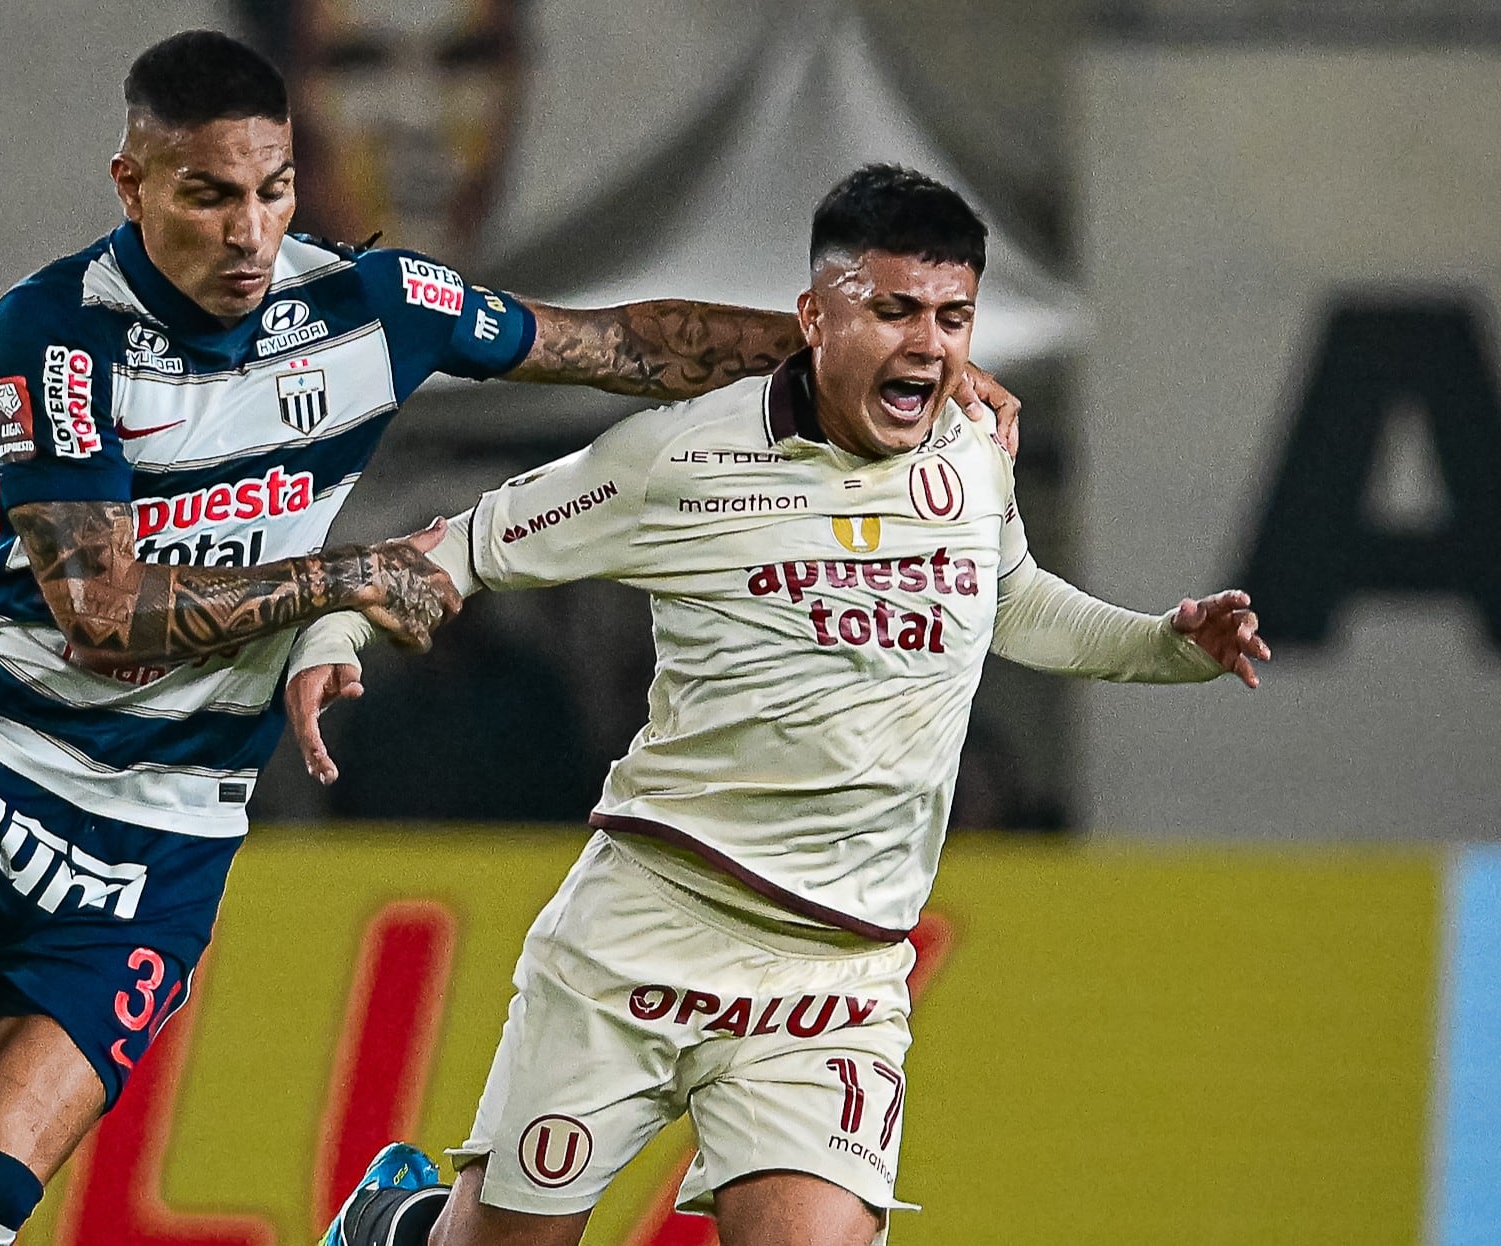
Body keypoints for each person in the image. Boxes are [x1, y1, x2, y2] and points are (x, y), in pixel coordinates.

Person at [0, 32, 1019, 1246]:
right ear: (130, 185)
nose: (249, 230)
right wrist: (344, 574)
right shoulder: (56, 334)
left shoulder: (370, 304)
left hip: (159, 849)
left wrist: (882, 352)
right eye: (207, 195)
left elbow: (619, 344)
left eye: (271, 191)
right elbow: (99, 612)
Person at [292, 164, 1269, 1246]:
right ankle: (399, 1225)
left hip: (837, 978)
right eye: (893, 310)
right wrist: (336, 628)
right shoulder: (684, 457)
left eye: (953, 317)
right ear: (814, 315)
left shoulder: (974, 455)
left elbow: (1009, 599)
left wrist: (1162, 645)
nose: (930, 347)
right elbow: (461, 550)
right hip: (646, 936)